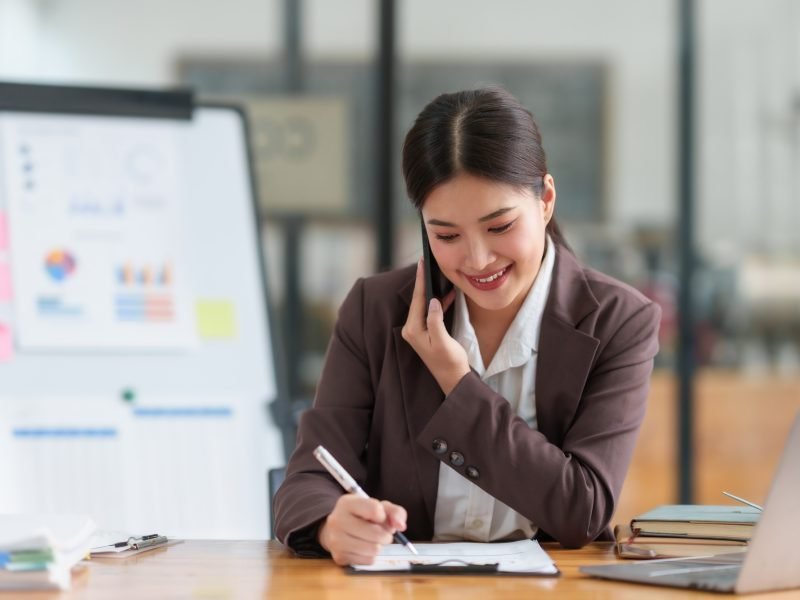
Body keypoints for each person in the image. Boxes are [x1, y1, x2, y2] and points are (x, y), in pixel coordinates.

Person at [274, 86, 661, 566]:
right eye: (446, 235)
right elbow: (306, 481)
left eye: (499, 227)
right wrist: (332, 523)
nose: (477, 259)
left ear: (545, 200)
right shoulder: (374, 311)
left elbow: (581, 510)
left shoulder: (619, 321)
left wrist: (457, 385)